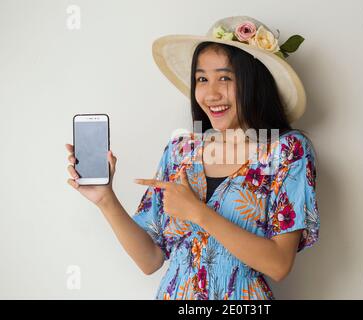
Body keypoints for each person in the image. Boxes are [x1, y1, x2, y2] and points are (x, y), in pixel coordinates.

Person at [65, 16, 320, 300]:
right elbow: (150, 260)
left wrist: (198, 212)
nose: (211, 94)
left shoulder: (287, 151)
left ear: (253, 82)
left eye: (225, 78)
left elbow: (279, 264)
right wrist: (105, 199)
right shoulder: (179, 151)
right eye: (202, 79)